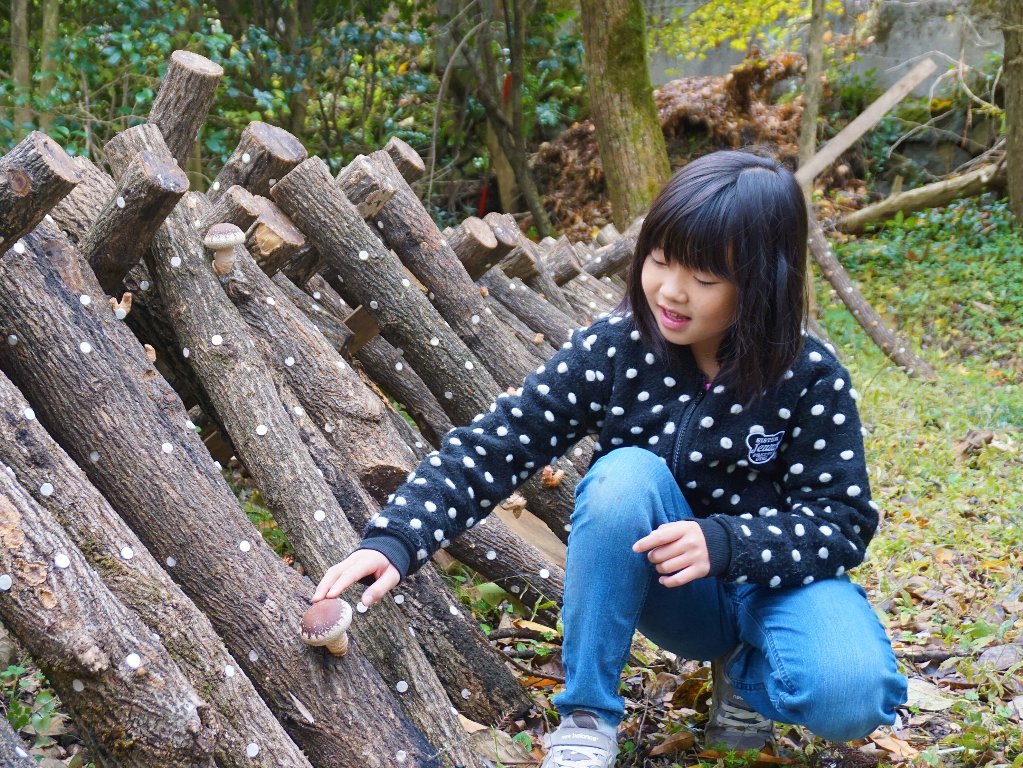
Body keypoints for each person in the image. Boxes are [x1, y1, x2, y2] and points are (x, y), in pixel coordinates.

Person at [313, 150, 908, 766]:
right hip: (679, 595)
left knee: (853, 699)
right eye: (660, 260)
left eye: (705, 279)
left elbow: (842, 521)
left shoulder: (808, 376)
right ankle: (588, 716)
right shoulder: (619, 347)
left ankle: (748, 681)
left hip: (778, 583)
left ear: (763, 284)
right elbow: (500, 441)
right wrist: (395, 539)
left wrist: (727, 542)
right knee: (624, 473)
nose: (671, 291)